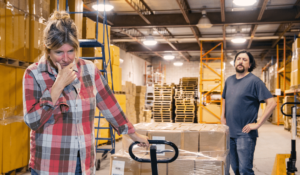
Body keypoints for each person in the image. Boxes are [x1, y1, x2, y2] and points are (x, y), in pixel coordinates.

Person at [23, 11, 149, 175]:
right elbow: (32, 121)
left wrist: (133, 134)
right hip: (50, 164)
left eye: (71, 51)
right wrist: (57, 86)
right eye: (59, 52)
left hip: (82, 163)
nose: (66, 58)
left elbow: (109, 104)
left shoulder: (89, 70)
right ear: (48, 50)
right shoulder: (34, 74)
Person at [221, 51, 277, 175]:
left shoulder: (255, 81)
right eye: (238, 59)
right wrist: (222, 116)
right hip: (230, 132)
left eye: (244, 60)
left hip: (245, 134)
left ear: (250, 64)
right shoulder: (229, 80)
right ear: (235, 62)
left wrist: (257, 124)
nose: (240, 61)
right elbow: (224, 98)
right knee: (235, 168)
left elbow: (272, 103)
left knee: (244, 170)